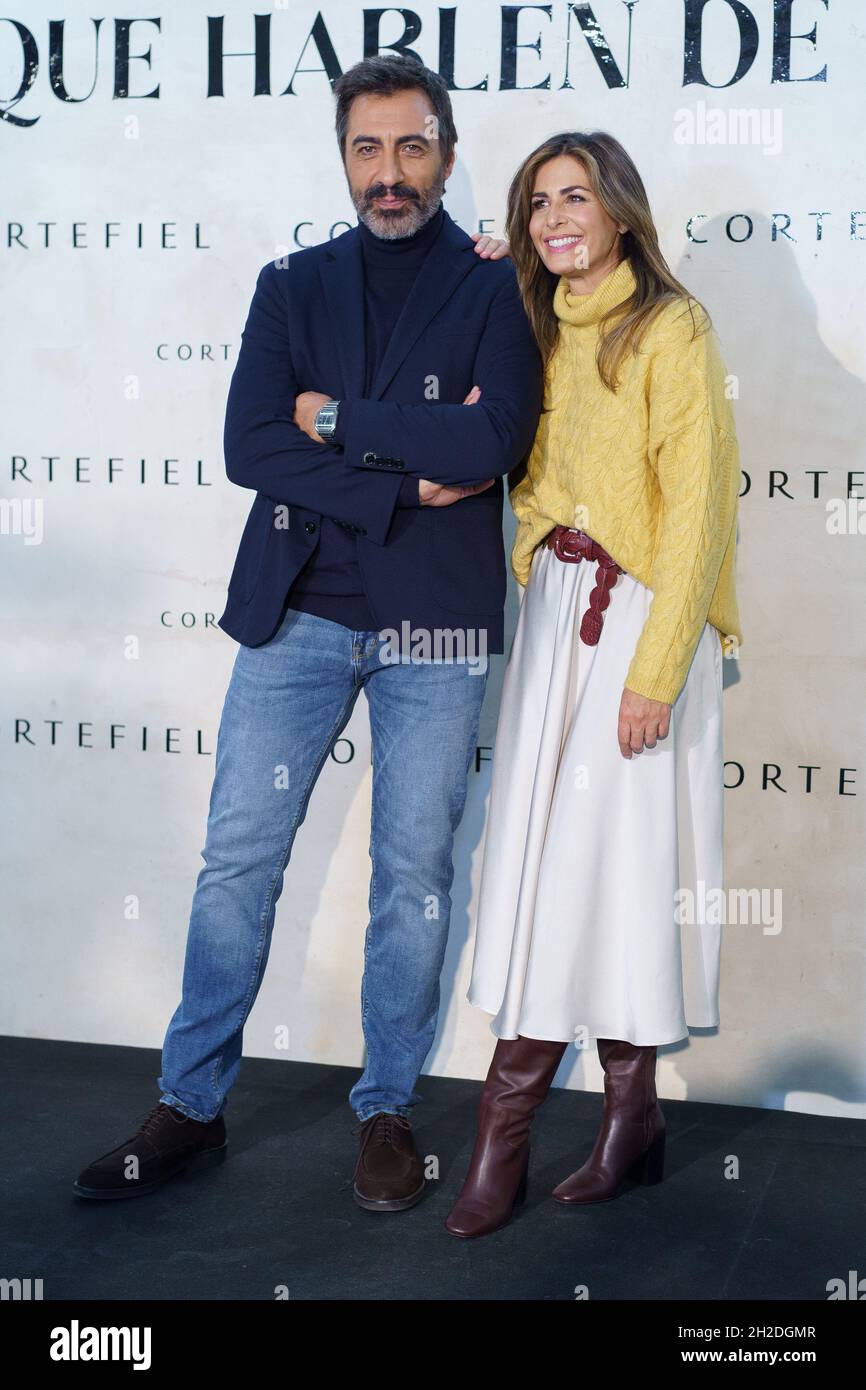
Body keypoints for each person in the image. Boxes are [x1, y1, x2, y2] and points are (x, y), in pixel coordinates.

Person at [72, 53, 542, 1212]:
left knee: (413, 870)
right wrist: (395, 480)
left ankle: (384, 1109)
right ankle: (190, 1103)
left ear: (444, 148)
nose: (388, 174)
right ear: (343, 157)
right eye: (365, 149)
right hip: (296, 614)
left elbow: (488, 451)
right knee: (238, 859)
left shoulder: (493, 288)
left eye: (411, 146)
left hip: (433, 624)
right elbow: (250, 446)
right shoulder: (291, 283)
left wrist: (335, 423)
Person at [445, 130, 743, 1239]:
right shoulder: (533, 324)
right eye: (535, 204)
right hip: (554, 624)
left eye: (574, 198)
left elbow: (703, 507)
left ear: (620, 210)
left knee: (596, 868)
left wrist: (656, 673)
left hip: (640, 626)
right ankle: (632, 1119)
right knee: (565, 869)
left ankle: (503, 1132)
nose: (553, 218)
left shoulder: (674, 326)